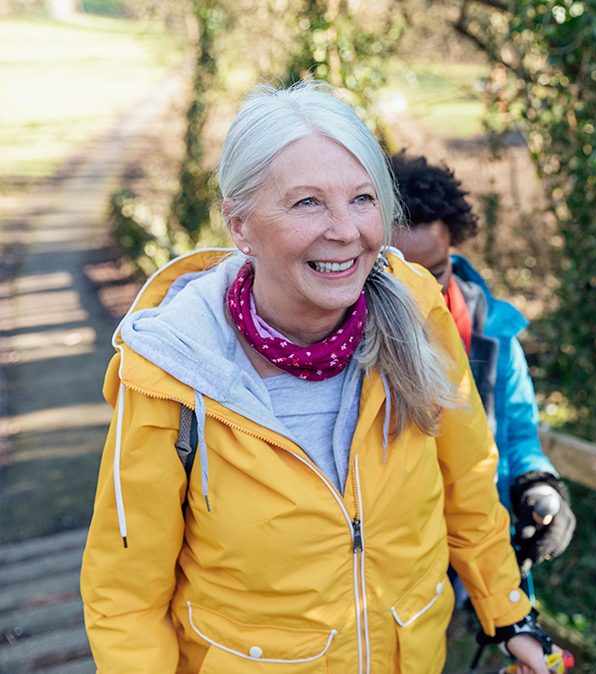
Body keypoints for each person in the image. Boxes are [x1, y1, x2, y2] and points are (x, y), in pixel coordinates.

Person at [80, 81, 559, 673]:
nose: (345, 231)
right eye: (308, 202)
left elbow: (467, 482)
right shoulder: (169, 374)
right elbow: (125, 598)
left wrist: (509, 612)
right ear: (240, 224)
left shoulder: (418, 313)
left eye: (362, 199)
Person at [389, 154, 575, 586]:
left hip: (476, 550)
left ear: (453, 246)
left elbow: (518, 433)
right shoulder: (345, 338)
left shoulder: (493, 332)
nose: (424, 291)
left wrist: (537, 483)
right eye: (403, 274)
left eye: (436, 271)